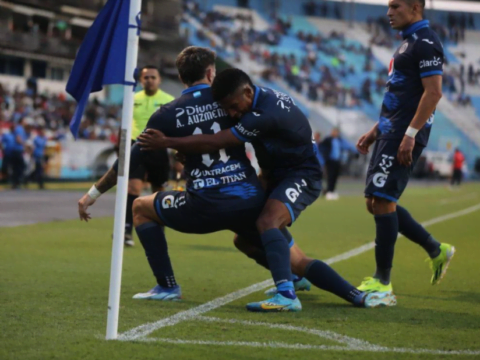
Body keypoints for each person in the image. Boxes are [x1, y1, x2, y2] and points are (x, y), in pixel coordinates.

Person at [138, 67, 396, 310]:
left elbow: (219, 140)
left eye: (233, 107)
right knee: (245, 241)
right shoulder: (256, 99)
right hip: (275, 176)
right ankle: (349, 295)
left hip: (301, 176)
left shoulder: (264, 114)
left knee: (268, 222)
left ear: (247, 93)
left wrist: (168, 141)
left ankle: (286, 295)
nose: (231, 114)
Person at [355, 0, 455, 297]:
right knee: (374, 202)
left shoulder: (426, 43)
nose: (388, 12)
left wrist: (410, 134)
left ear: (414, 7)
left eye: (395, 6)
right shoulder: (407, 44)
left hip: (404, 134)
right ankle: (436, 249)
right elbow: (399, 94)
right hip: (390, 131)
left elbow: (433, 92)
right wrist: (375, 131)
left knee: (383, 202)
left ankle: (382, 282)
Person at [122, 65, 175, 247]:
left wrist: (177, 154)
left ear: (159, 80)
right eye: (146, 77)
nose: (149, 80)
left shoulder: (169, 100)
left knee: (158, 192)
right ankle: (127, 231)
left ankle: (159, 231)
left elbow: (175, 129)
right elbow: (125, 124)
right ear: (141, 80)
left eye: (153, 77)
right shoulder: (132, 99)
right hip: (136, 145)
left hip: (159, 149)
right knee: (132, 188)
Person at [320, 128, 357, 200]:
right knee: (330, 176)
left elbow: (348, 146)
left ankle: (333, 191)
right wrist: (325, 157)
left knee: (335, 176)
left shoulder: (340, 140)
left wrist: (356, 151)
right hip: (330, 161)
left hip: (337, 161)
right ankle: (329, 191)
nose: (335, 133)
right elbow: (322, 148)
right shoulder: (328, 140)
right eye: (334, 132)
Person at [11, 118, 28, 189]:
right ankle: (18, 181)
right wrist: (24, 144)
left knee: (17, 167)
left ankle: (15, 183)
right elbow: (18, 139)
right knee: (22, 166)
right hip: (17, 150)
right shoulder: (19, 129)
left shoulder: (19, 129)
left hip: (16, 150)